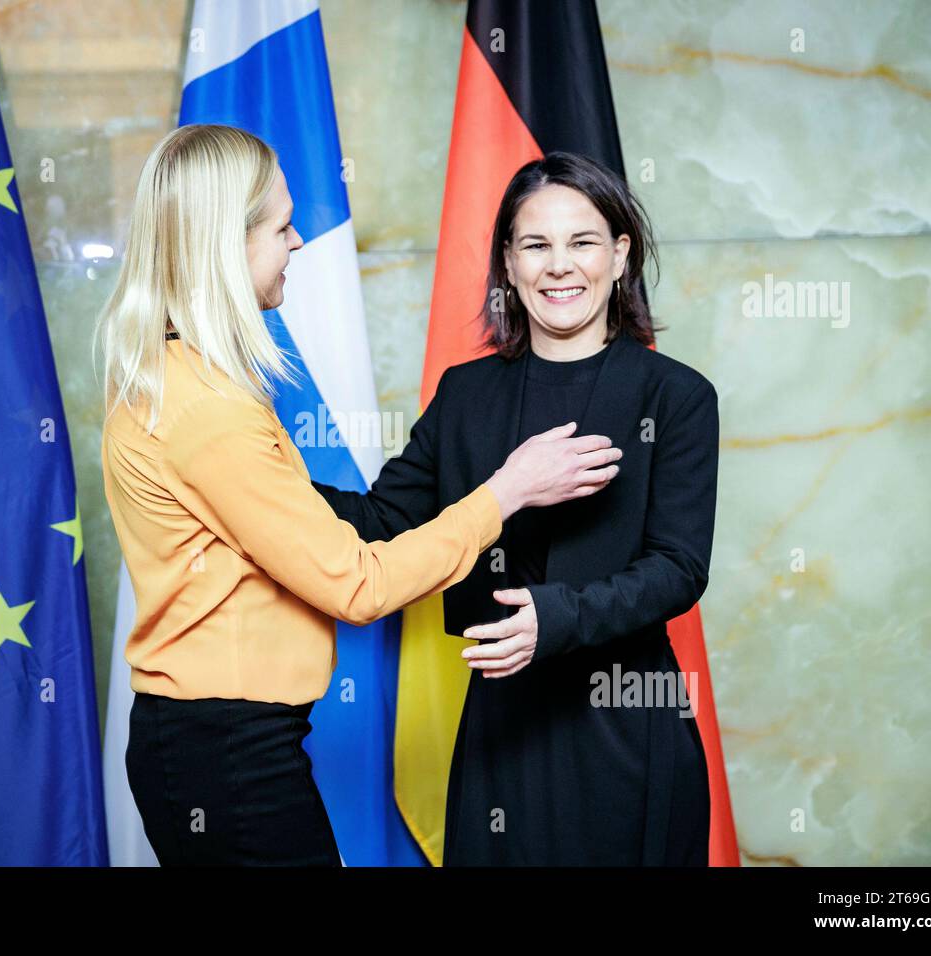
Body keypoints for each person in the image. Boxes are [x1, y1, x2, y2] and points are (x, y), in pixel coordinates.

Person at [94, 125, 624, 866]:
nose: (299, 241)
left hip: (215, 742)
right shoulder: (208, 406)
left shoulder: (180, 379)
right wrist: (506, 492)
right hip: (226, 749)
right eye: (281, 226)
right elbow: (358, 584)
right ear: (226, 243)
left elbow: (325, 519)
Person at [315, 151, 718, 865]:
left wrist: (557, 617)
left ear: (620, 256)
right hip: (503, 727)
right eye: (536, 244)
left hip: (627, 728)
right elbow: (382, 522)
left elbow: (679, 569)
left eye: (583, 242)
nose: (559, 265)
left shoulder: (677, 396)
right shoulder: (467, 393)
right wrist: (261, 473)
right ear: (508, 261)